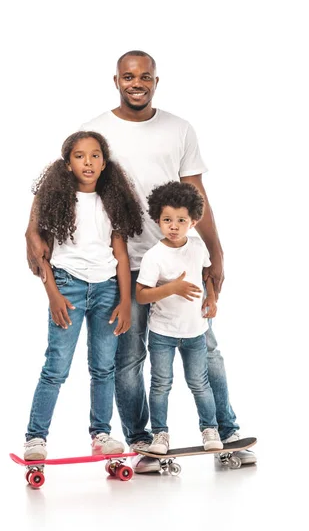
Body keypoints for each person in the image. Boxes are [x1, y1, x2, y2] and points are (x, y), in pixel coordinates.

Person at [25, 50, 257, 470]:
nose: (137, 83)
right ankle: (142, 442)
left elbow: (197, 194)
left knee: (205, 349)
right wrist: (30, 231)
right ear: (116, 80)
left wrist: (216, 252)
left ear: (155, 80)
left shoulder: (179, 128)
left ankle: (228, 433)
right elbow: (58, 180)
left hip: (178, 260)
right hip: (122, 265)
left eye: (145, 76)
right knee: (127, 359)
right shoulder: (95, 130)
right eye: (128, 76)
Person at [23, 131, 143, 460]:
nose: (87, 161)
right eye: (79, 156)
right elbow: (42, 257)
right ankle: (36, 437)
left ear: (104, 163)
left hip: (107, 290)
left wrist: (124, 302)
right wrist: (54, 295)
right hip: (68, 285)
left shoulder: (112, 201)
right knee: (56, 367)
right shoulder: (58, 201)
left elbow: (121, 256)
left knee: (103, 368)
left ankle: (102, 435)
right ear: (67, 164)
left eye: (94, 155)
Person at [136, 181, 223, 454]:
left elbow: (207, 274)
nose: (173, 226)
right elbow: (141, 295)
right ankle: (160, 434)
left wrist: (211, 298)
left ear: (193, 221)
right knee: (161, 385)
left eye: (180, 220)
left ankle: (210, 429)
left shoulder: (197, 249)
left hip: (195, 332)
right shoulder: (154, 256)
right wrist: (172, 288)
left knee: (200, 383)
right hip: (163, 333)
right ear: (158, 220)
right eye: (167, 220)